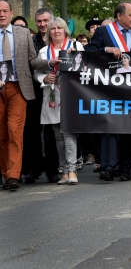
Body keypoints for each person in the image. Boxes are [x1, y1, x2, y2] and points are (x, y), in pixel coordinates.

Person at [0, 1, 60, 191]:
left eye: (4, 11)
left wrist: (49, 62)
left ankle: (13, 176)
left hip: (19, 88)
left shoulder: (23, 33)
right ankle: (5, 173)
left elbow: (33, 60)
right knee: (1, 135)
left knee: (15, 132)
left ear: (11, 13)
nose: (1, 14)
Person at [86, 2, 131, 182]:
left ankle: (125, 168)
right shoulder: (104, 32)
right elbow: (89, 50)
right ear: (119, 16)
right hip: (108, 88)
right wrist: (107, 49)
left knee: (128, 128)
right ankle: (108, 167)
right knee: (109, 127)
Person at [34, 17, 84, 185]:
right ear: (49, 32)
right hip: (50, 94)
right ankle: (63, 170)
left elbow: (86, 68)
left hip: (71, 95)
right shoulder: (43, 52)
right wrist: (44, 77)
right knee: (58, 135)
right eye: (53, 28)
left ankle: (72, 170)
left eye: (59, 28)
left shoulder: (75, 47)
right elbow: (36, 72)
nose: (56, 31)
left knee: (68, 132)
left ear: (65, 30)